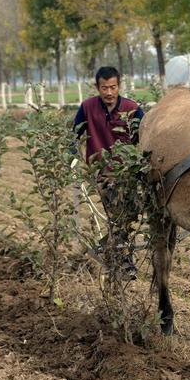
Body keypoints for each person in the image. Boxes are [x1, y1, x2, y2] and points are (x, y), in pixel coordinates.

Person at [73, 66, 144, 280]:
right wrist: (72, 156)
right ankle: (124, 263)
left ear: (119, 86)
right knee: (117, 214)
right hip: (103, 174)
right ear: (98, 88)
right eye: (104, 88)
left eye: (113, 87)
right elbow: (74, 133)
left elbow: (146, 135)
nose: (109, 92)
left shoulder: (132, 108)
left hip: (128, 174)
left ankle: (107, 249)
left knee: (130, 215)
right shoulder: (87, 108)